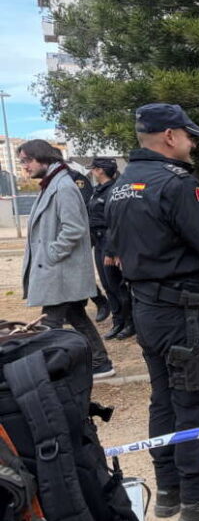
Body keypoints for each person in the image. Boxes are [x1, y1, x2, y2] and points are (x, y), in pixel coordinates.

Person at [105, 103, 199, 521]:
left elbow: (112, 249)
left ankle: (169, 490)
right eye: (189, 136)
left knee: (164, 401)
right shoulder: (177, 185)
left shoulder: (122, 186)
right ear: (170, 136)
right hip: (183, 312)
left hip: (148, 308)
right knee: (195, 405)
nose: (193, 144)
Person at [18, 140, 116, 378]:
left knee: (49, 324)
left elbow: (74, 228)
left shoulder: (63, 186)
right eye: (22, 162)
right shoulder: (53, 184)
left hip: (59, 269)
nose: (25, 167)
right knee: (76, 315)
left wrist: (52, 254)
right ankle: (101, 362)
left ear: (42, 157)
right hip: (58, 270)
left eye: (27, 160)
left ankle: (44, 373)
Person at [87, 156, 134, 340]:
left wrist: (113, 250)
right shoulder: (97, 190)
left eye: (93, 168)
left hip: (110, 242)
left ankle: (130, 323)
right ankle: (118, 321)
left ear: (100, 170)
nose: (91, 171)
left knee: (118, 285)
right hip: (99, 242)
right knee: (107, 285)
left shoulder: (114, 190)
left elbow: (118, 222)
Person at [65, 163, 111, 322]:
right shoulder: (56, 180)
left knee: (79, 270)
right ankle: (75, 306)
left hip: (82, 231)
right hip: (66, 231)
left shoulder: (76, 179)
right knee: (69, 272)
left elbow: (84, 206)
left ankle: (100, 301)